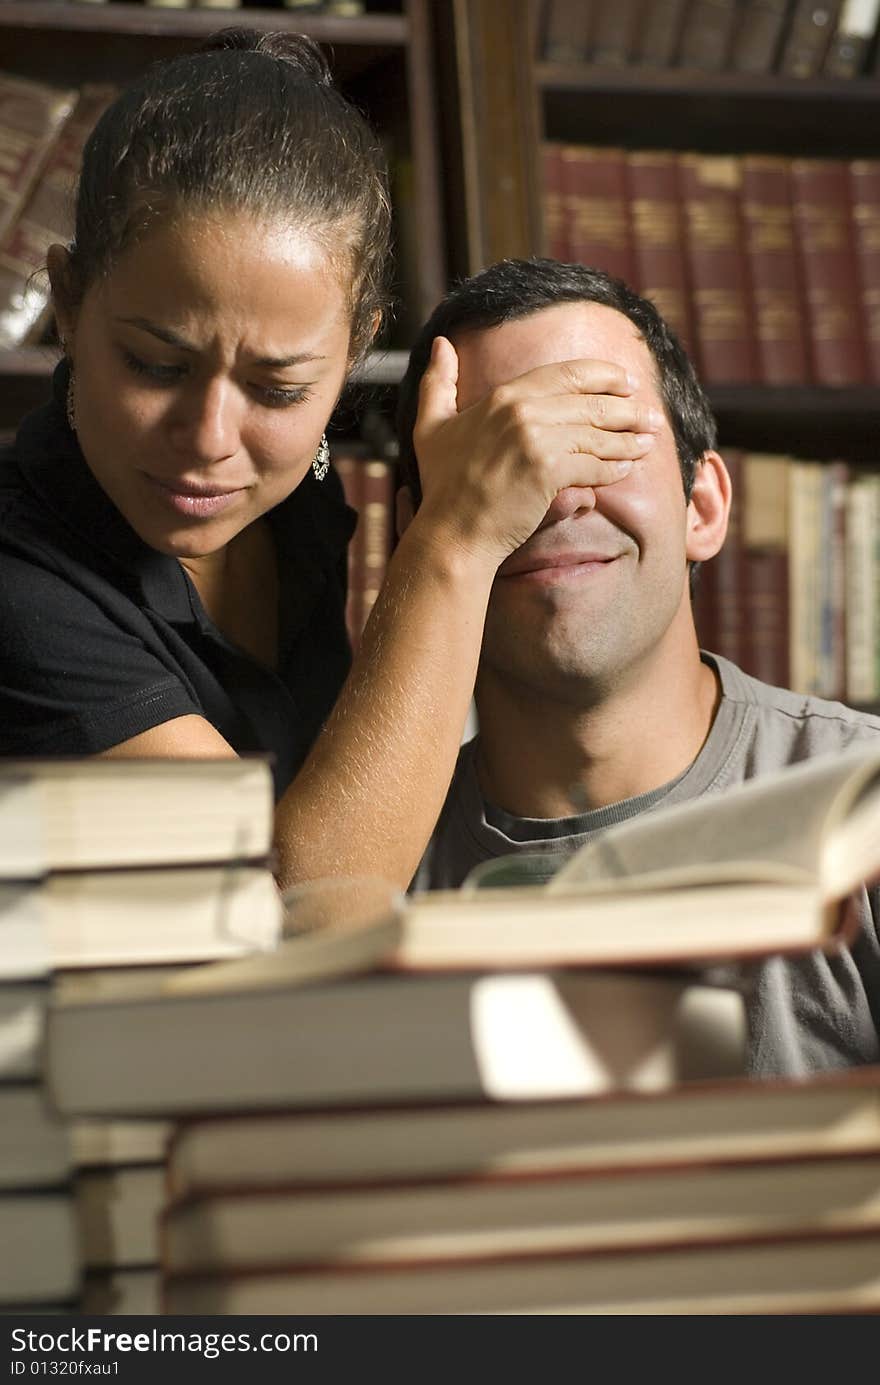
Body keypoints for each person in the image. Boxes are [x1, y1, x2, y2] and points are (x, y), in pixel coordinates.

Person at [0, 33, 661, 893]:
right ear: (68, 298)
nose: (209, 437)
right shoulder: (18, 578)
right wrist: (454, 536)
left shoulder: (301, 496)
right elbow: (298, 906)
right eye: (156, 366)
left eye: (277, 389)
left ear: (355, 348)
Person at [396, 256, 880, 1077]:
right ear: (417, 535)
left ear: (705, 506)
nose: (557, 497)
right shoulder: (375, 866)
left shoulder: (866, 805)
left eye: (604, 438)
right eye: (496, 460)